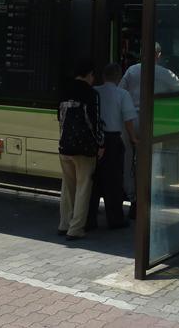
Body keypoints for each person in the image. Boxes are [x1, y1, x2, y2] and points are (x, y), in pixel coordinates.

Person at [118, 43, 179, 201]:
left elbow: (121, 91)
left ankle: (130, 192)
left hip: (129, 121)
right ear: (158, 56)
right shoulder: (162, 72)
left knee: (127, 158)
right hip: (148, 121)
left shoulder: (131, 70)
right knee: (145, 159)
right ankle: (144, 194)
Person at [57, 58, 104, 240]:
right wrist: (100, 144)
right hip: (85, 149)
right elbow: (95, 121)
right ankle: (76, 229)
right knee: (83, 187)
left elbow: (59, 119)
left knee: (67, 187)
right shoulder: (91, 94)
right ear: (89, 74)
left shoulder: (63, 91)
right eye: (93, 75)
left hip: (65, 147)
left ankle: (63, 224)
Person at [87, 62, 138, 231]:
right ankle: (115, 219)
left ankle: (90, 219)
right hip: (113, 140)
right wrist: (133, 138)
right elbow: (128, 120)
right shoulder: (122, 94)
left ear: (103, 76)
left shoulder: (94, 91)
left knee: (94, 181)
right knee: (114, 182)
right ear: (118, 77)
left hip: (95, 140)